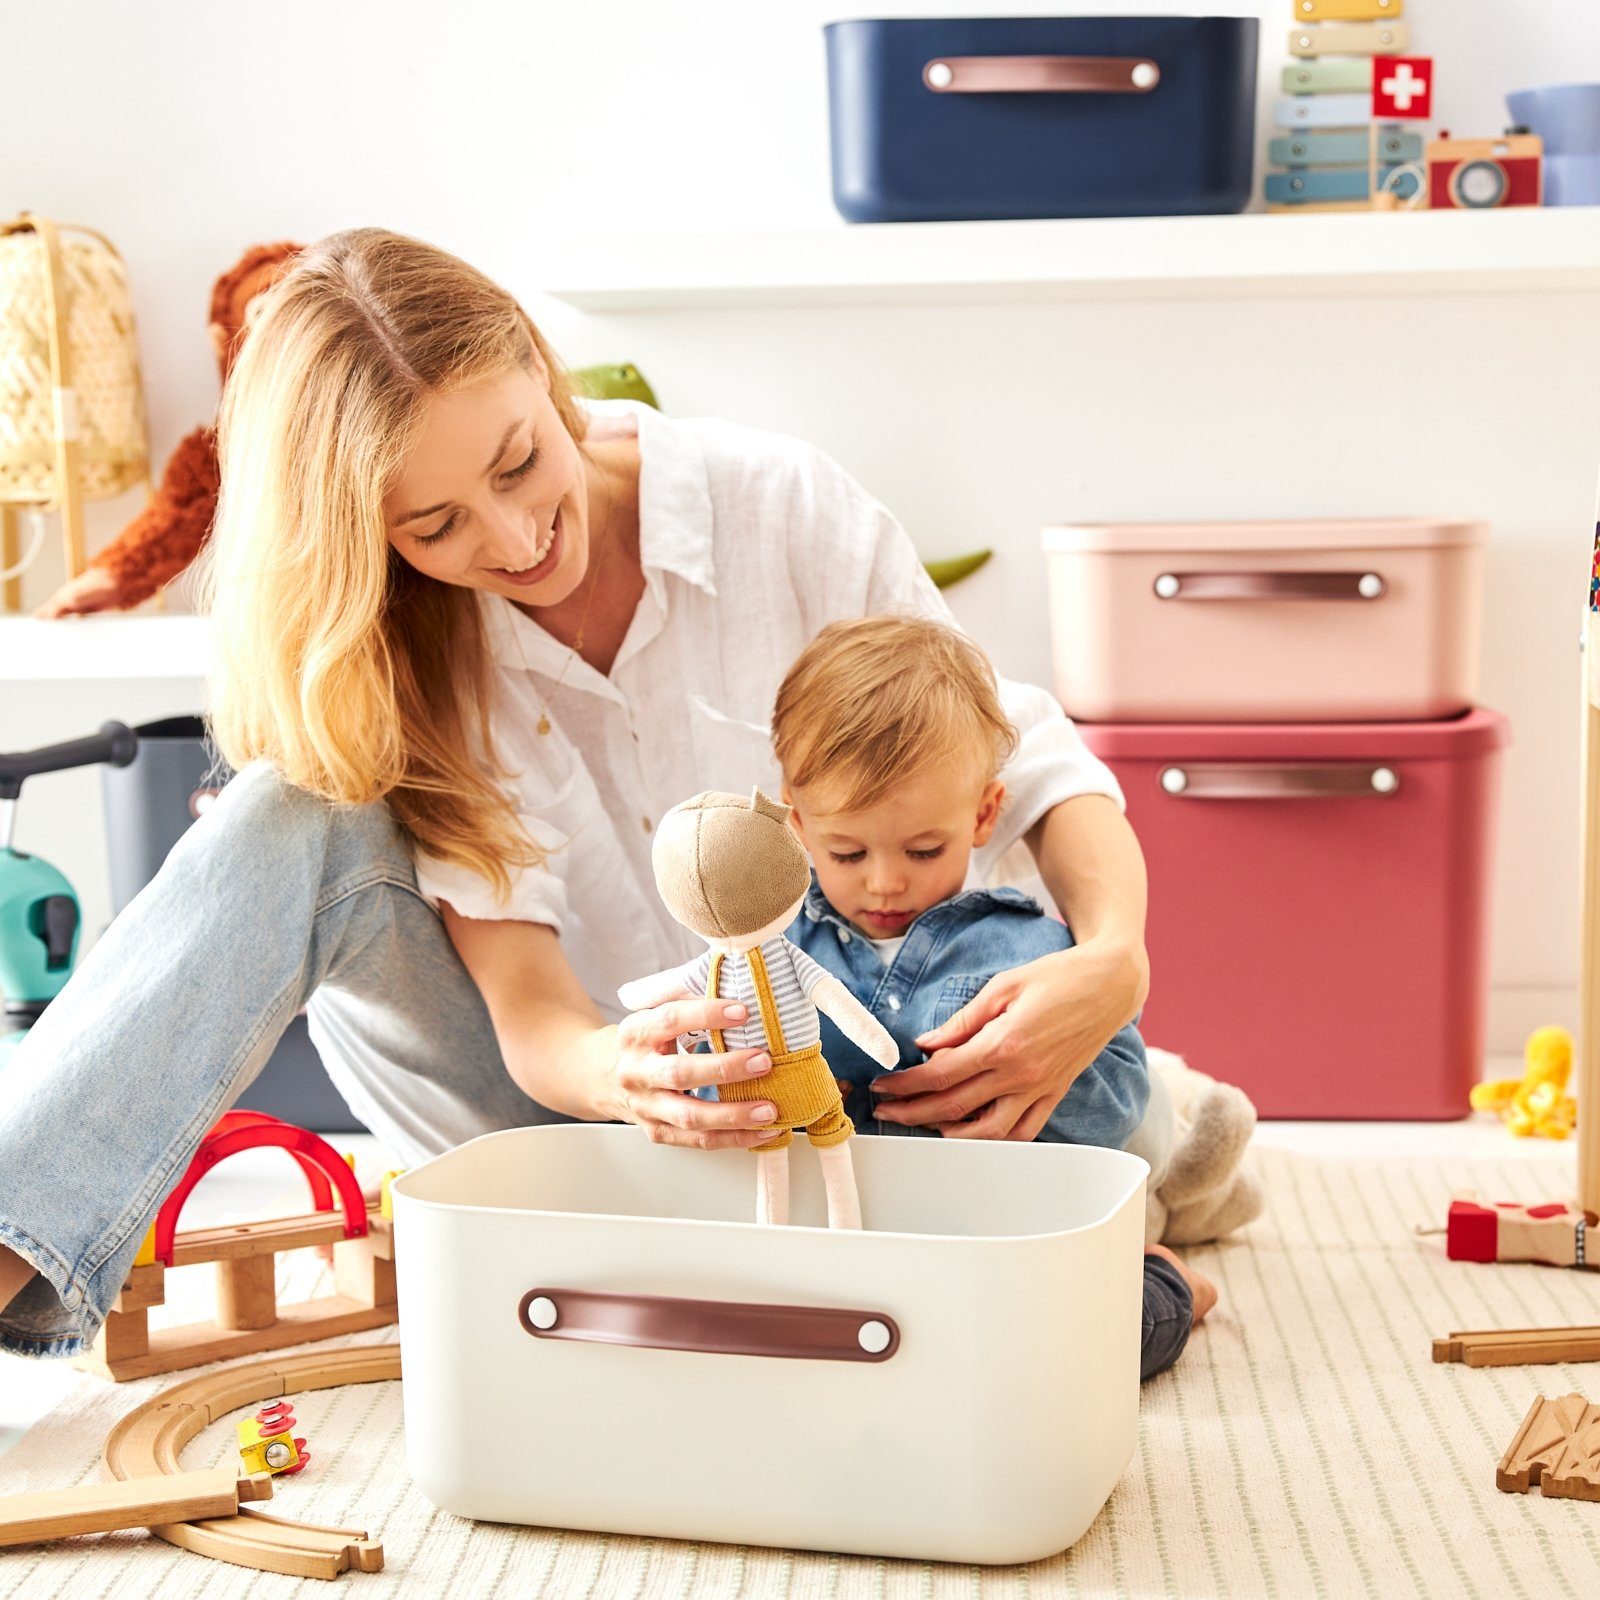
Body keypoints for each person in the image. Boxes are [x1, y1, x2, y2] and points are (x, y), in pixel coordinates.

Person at [0, 228, 1152, 1358]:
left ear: (538, 365)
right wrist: (627, 1076)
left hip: (840, 1088)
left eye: (517, 464)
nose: (514, 539)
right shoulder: (408, 658)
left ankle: (1166, 1135)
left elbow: (1015, 751)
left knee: (1091, 1115)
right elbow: (534, 1014)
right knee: (282, 810)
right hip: (574, 1113)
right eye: (435, 525)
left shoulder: (777, 507)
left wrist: (1115, 957)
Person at [773, 614, 1212, 1378]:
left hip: (991, 1244)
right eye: (847, 851)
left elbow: (1117, 1105)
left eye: (924, 850)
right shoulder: (771, 957)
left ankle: (1170, 1279)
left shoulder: (1028, 950)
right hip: (829, 1249)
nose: (885, 881)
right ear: (800, 826)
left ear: (982, 815)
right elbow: (710, 1081)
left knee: (1059, 1360)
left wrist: (997, 1090)